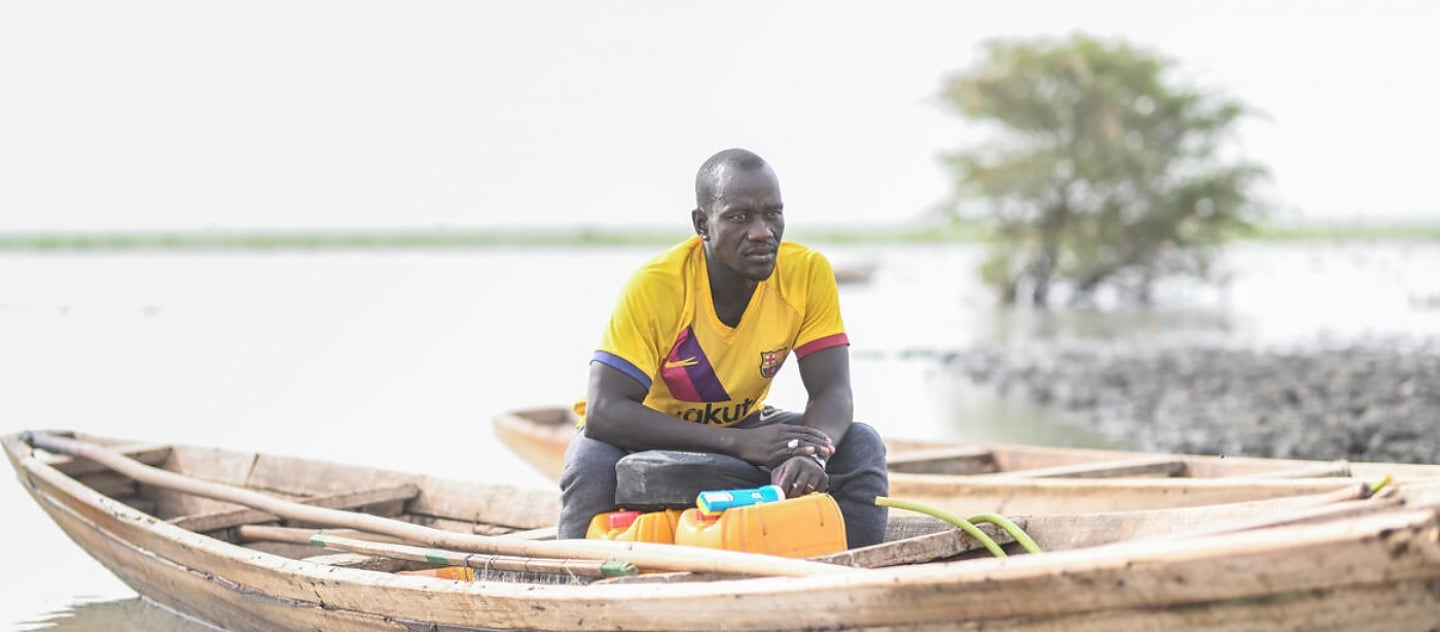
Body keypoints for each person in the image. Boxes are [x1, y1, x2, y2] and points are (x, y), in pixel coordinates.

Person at [558, 148, 889, 548]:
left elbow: (832, 391)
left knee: (860, 443)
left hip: (742, 423)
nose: (762, 231)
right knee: (589, 463)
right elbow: (604, 412)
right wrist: (741, 444)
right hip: (645, 429)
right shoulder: (657, 286)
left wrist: (811, 455)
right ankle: (575, 579)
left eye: (772, 214)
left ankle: (852, 571)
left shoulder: (806, 273)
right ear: (703, 225)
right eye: (739, 217)